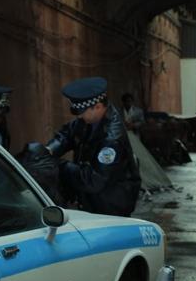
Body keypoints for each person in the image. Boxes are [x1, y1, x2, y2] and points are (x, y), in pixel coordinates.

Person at [46, 77, 141, 216]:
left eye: (82, 112)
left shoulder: (111, 139)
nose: (79, 117)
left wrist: (60, 166)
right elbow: (68, 133)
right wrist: (50, 149)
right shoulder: (90, 119)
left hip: (110, 206)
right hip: (92, 200)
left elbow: (94, 180)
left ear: (97, 107)